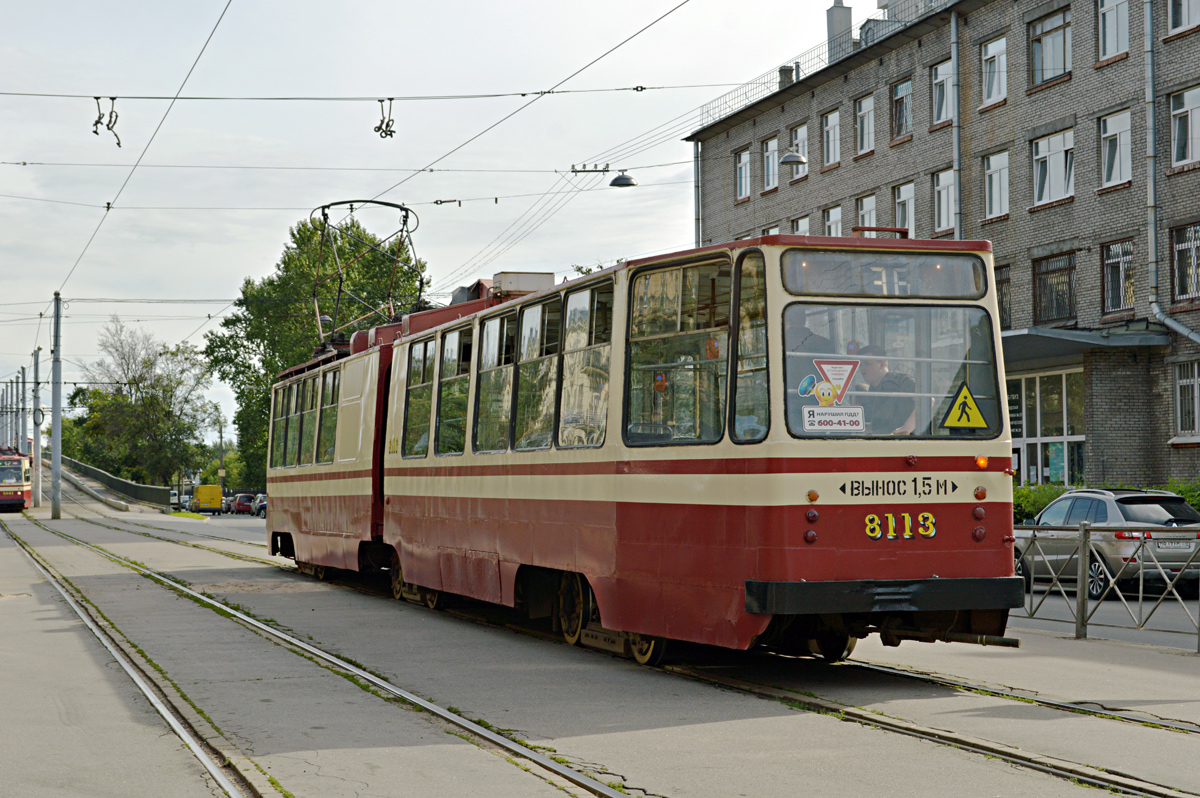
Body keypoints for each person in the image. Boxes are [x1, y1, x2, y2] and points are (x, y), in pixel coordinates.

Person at [857, 345, 916, 434]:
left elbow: (928, 400)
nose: (862, 369)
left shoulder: (900, 381)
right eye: (860, 365)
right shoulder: (873, 389)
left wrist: (906, 428)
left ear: (882, 364)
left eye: (867, 364)